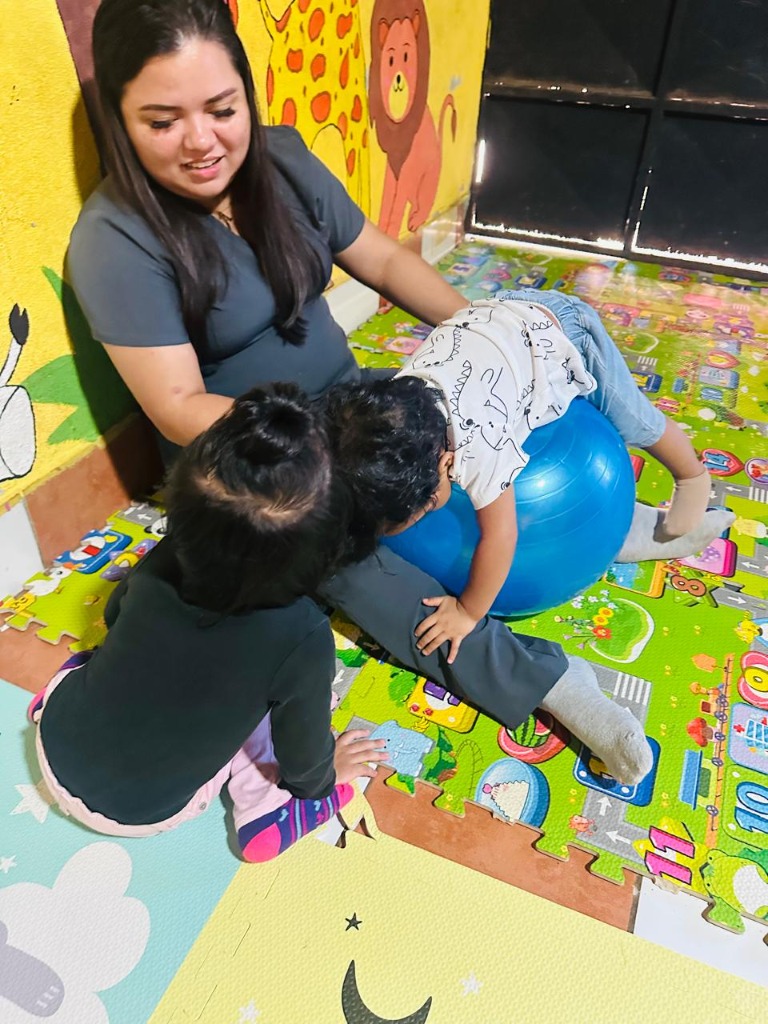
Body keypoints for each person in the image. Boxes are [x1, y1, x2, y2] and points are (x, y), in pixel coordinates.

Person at [65, 0, 709, 786]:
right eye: (163, 120)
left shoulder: (280, 159)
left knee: (476, 428)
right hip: (258, 458)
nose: (202, 141)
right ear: (120, 120)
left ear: (245, 93)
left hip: (356, 397)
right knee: (357, 564)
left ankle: (606, 524)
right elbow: (175, 406)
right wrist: (329, 440)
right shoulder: (113, 239)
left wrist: (490, 338)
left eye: (221, 109)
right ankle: (550, 683)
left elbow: (387, 264)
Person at [30, 385, 387, 862]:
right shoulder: (303, 638)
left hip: (54, 742)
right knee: (274, 715)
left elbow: (115, 617)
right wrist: (325, 778)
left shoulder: (163, 559)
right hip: (148, 811)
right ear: (325, 559)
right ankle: (265, 811)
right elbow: (303, 759)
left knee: (121, 652)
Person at [323, 292, 734, 662]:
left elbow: (502, 537)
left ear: (443, 469)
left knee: (633, 420)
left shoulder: (479, 449)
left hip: (564, 329)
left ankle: (692, 474)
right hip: (500, 324)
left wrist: (467, 612)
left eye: (422, 509)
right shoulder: (395, 400)